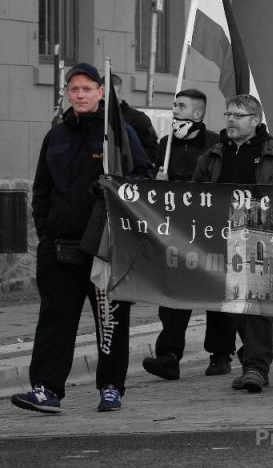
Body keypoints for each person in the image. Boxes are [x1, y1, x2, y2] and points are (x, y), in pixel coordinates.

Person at [11, 63, 153, 414]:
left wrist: (112, 187)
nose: (79, 94)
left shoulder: (118, 133)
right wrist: (45, 232)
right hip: (60, 247)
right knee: (55, 321)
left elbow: (143, 176)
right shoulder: (55, 136)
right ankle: (46, 389)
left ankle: (110, 387)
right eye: (73, 89)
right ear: (66, 93)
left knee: (110, 321)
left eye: (87, 88)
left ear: (101, 92)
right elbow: (42, 188)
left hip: (106, 247)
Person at [193, 94, 273, 393]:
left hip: (262, 239)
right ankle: (251, 361)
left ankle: (257, 367)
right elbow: (195, 197)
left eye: (238, 115)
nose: (230, 119)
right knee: (235, 307)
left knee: (256, 306)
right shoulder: (212, 155)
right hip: (223, 239)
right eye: (228, 114)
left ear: (256, 121)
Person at [141, 89, 236, 381]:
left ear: (197, 114)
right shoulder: (165, 144)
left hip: (208, 231)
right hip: (174, 232)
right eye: (174, 106)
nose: (175, 111)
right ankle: (168, 355)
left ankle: (220, 354)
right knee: (173, 293)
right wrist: (158, 184)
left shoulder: (216, 143)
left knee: (214, 293)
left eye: (181, 106)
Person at [109, 73, 159, 164]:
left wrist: (124, 157)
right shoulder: (92, 118)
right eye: (102, 95)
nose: (105, 100)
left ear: (120, 95)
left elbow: (153, 152)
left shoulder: (139, 119)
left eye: (110, 96)